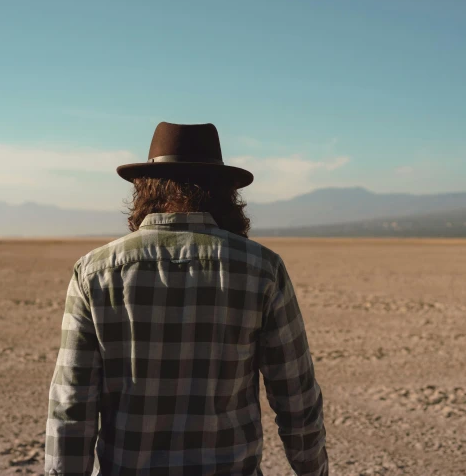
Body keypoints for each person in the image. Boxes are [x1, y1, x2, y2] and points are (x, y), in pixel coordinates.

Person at [45, 122, 328, 476]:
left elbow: (71, 405)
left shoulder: (94, 272)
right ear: (225, 193)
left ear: (144, 188)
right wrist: (313, 469)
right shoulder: (261, 269)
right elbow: (295, 395)